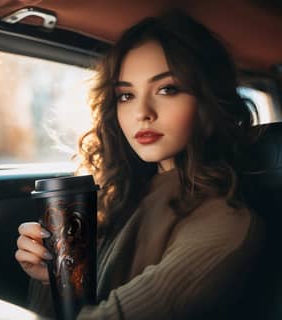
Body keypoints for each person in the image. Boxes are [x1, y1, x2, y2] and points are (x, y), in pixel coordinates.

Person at [15, 9, 266, 320]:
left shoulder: (228, 226)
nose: (142, 112)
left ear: (208, 101)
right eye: (126, 95)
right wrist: (53, 277)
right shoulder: (118, 197)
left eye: (167, 89)